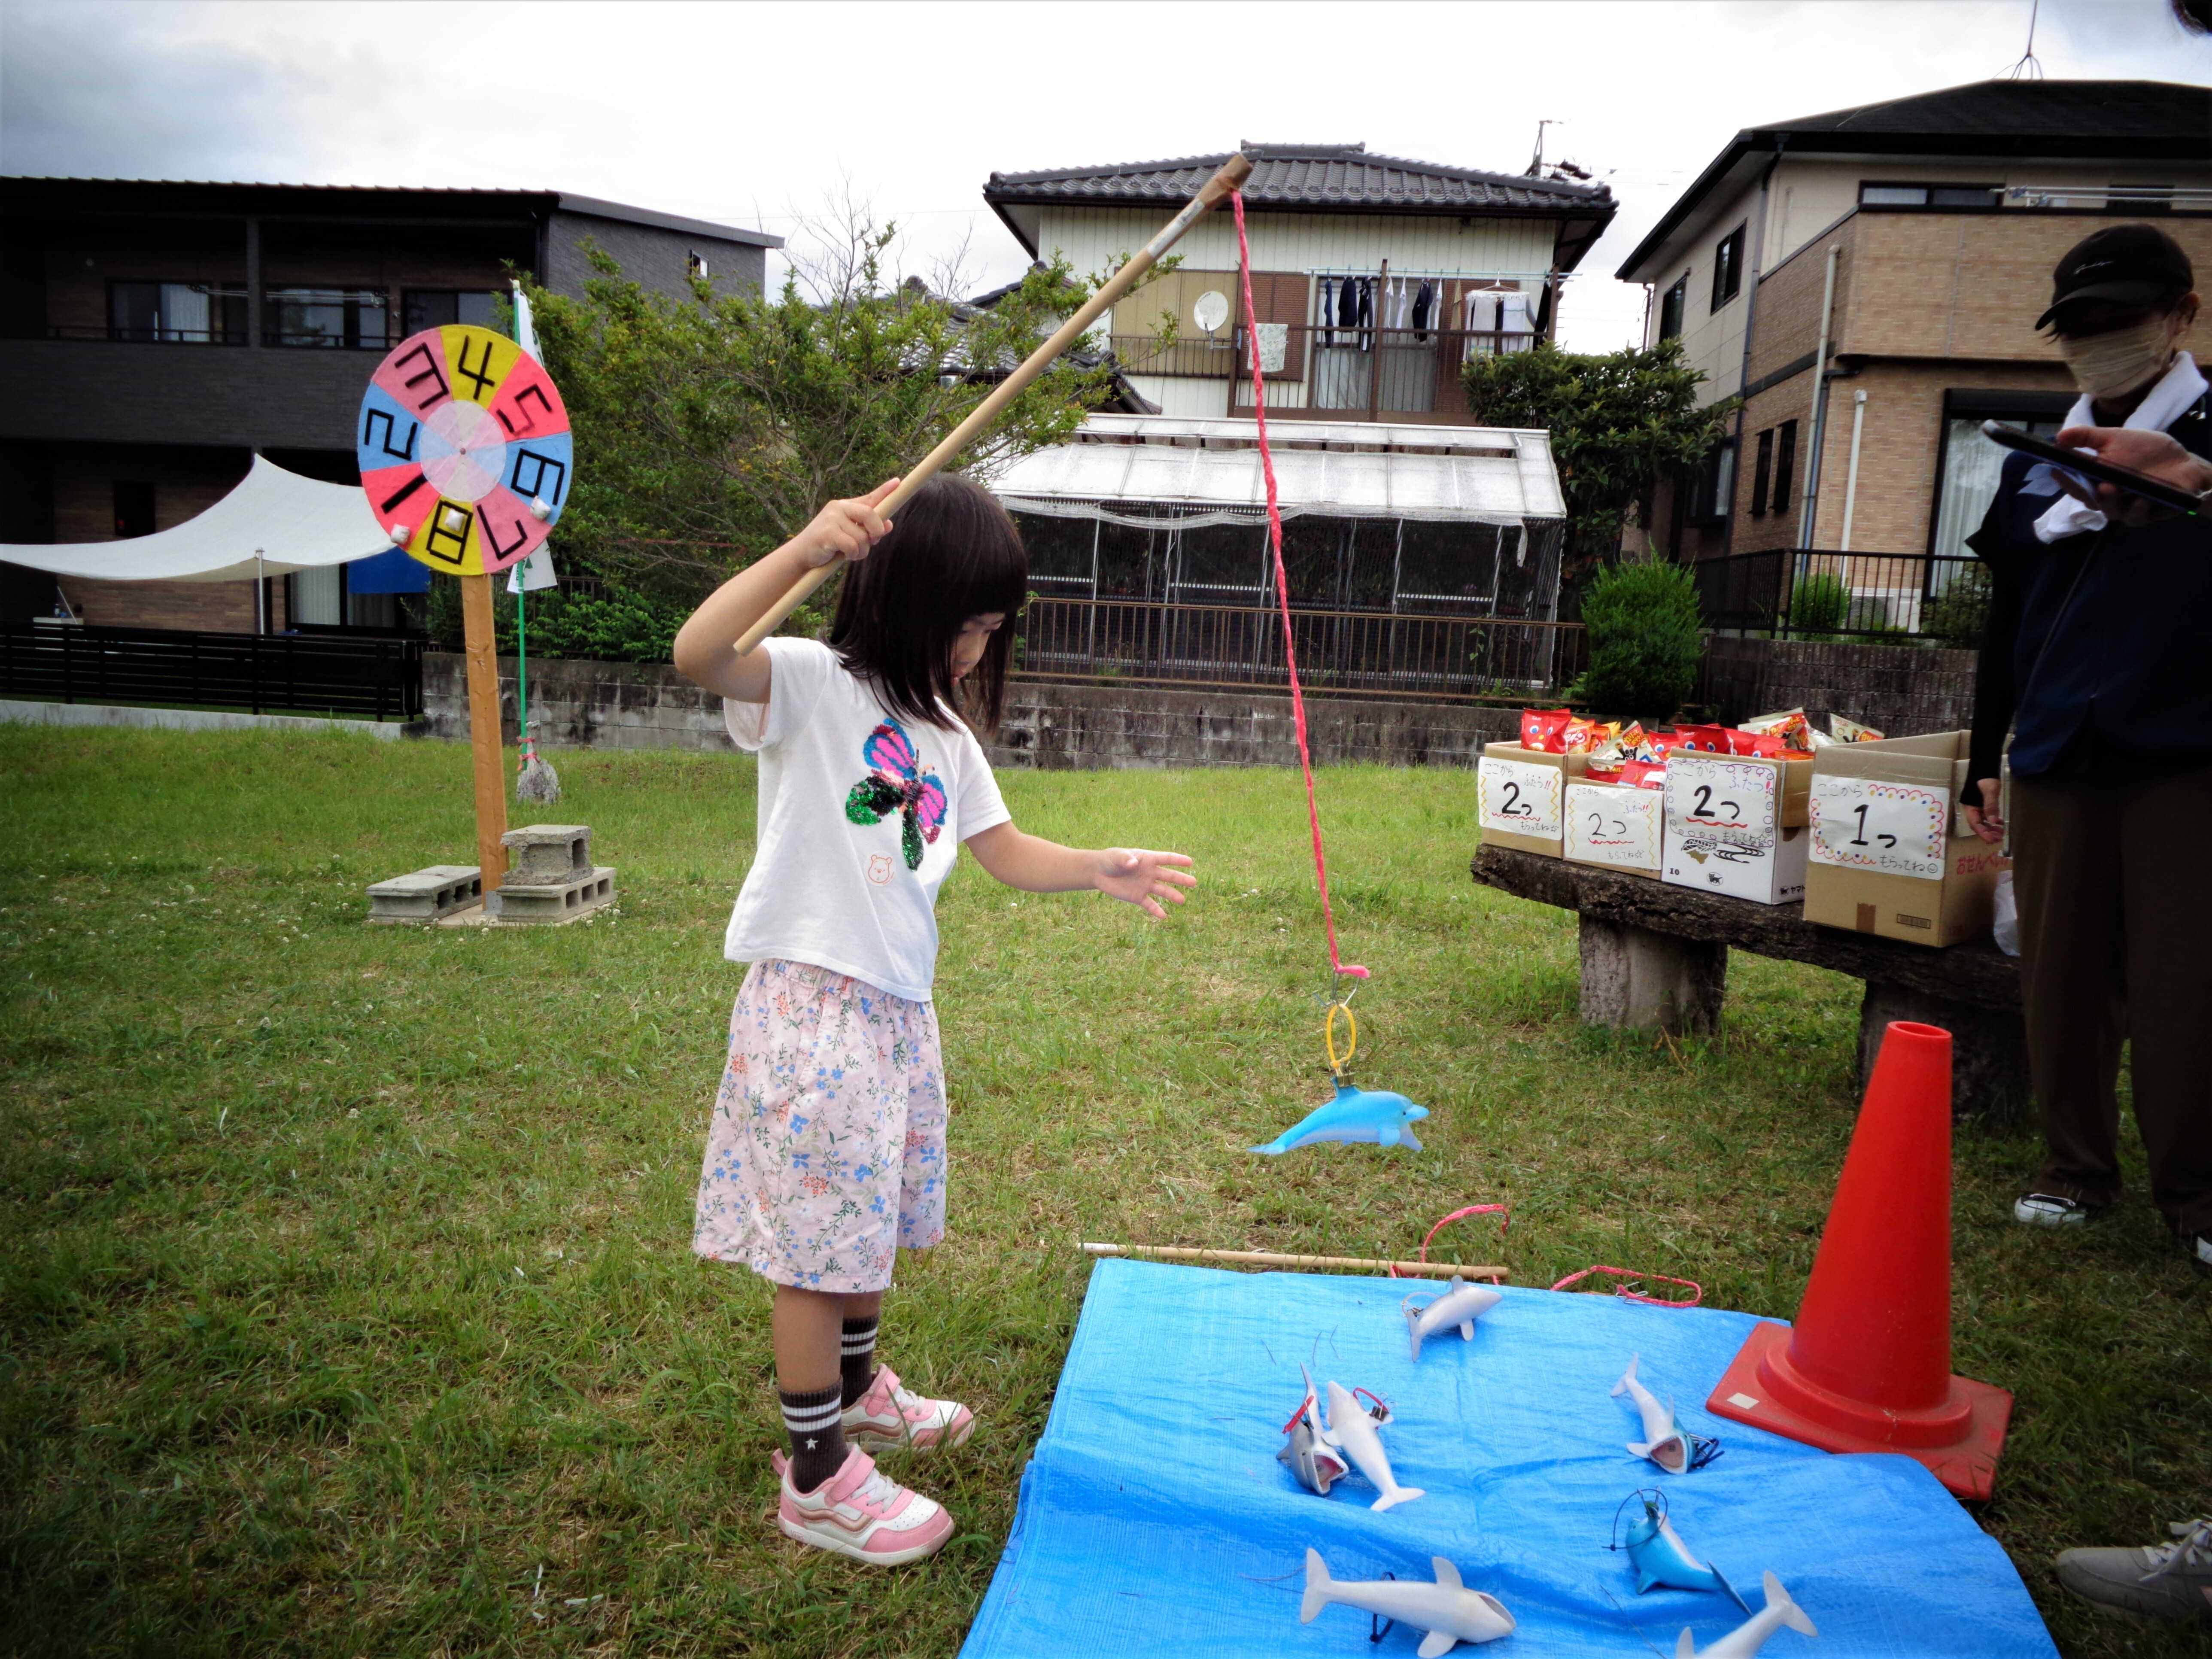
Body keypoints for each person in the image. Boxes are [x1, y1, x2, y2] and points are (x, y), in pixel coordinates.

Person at [671, 474, 1197, 1566]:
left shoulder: (946, 733)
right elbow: (700, 652)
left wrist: (1101, 866)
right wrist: (805, 549)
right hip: (812, 1008)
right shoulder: (812, 685)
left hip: (894, 1015)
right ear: (906, 596)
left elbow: (1001, 849)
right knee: (817, 1252)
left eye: (990, 631)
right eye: (966, 625)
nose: (973, 649)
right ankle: (814, 1476)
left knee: (866, 1221)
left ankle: (857, 1395)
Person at [1961, 223, 2212, 1273]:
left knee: (2182, 975)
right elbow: (2005, 615)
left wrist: (2192, 483)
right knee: (2058, 970)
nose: (2096, 344)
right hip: (2058, 743)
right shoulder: (2038, 462)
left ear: (2177, 320)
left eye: (2117, 322)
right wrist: (1986, 749)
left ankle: (2194, 1195)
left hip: (2185, 747)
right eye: (2077, 328)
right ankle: (2071, 1167)